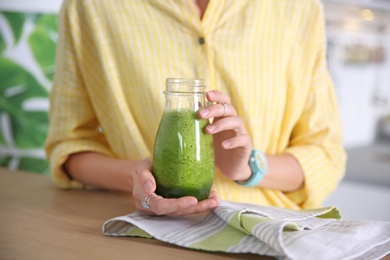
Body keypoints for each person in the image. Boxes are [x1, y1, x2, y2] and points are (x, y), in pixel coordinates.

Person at [45, 0, 347, 216]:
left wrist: (247, 167)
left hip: (265, 229)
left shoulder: (300, 9)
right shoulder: (90, 7)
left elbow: (324, 155)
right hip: (146, 233)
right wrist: (136, 177)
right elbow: (69, 146)